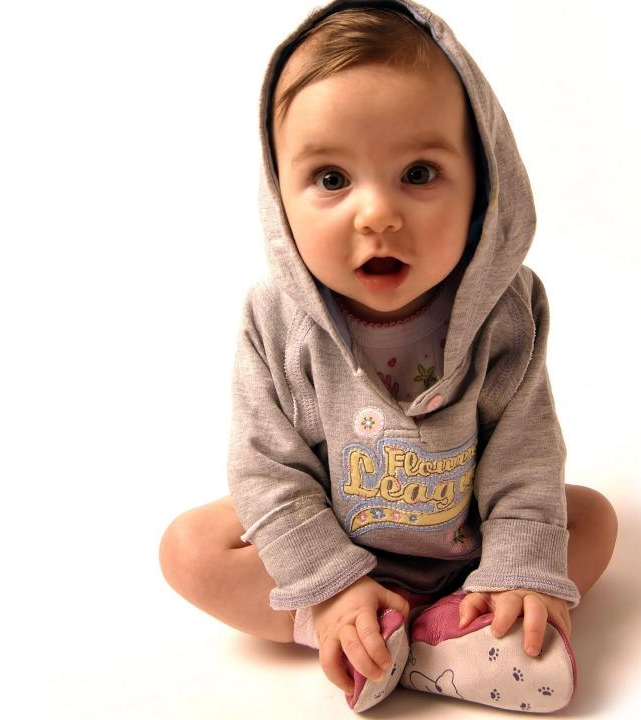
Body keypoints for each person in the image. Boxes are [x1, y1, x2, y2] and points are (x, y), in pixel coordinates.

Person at [160, 1, 617, 712]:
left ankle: (450, 627)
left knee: (594, 519)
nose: (377, 214)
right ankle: (352, 628)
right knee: (190, 547)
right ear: (279, 196)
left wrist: (516, 569)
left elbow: (524, 454)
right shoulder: (276, 321)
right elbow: (267, 470)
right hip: (336, 546)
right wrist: (333, 585)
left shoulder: (505, 313)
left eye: (420, 173)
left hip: (467, 552)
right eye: (332, 179)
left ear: (482, 186)